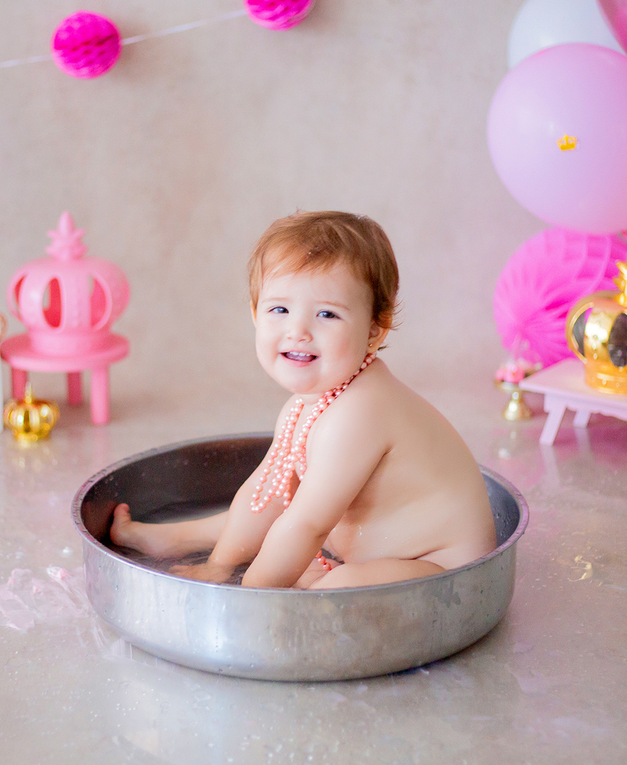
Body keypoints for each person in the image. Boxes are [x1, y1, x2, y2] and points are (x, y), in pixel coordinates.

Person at [111, 211, 496, 589]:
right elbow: (265, 494)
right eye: (279, 309)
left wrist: (249, 596)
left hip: (440, 567)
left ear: (374, 331)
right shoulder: (307, 403)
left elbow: (308, 526)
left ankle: (301, 587)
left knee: (337, 582)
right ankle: (180, 538)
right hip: (368, 546)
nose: (298, 331)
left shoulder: (361, 412)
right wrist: (219, 565)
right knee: (276, 505)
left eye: (327, 314)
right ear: (255, 314)